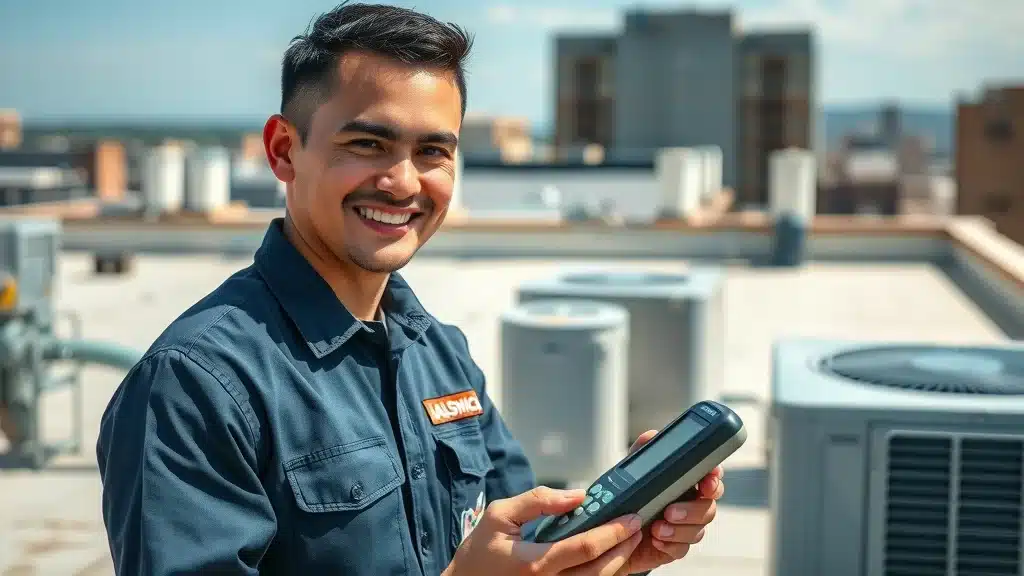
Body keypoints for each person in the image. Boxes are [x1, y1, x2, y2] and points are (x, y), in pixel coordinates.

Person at [95, 2, 726, 575]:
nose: (402, 183)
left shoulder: (439, 354)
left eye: (432, 151)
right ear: (284, 150)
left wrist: (604, 547)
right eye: (367, 144)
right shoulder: (193, 386)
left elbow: (516, 536)